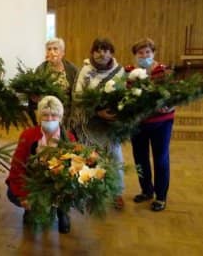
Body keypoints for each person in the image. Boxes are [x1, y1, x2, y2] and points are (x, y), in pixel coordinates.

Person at [6, 96, 76, 234]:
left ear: (60, 117)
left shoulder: (69, 137)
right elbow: (17, 165)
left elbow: (74, 167)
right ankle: (30, 210)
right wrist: (23, 195)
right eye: (45, 115)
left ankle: (62, 211)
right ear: (39, 117)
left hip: (58, 182)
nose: (49, 119)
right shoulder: (28, 135)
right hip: (34, 181)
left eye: (54, 115)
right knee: (12, 194)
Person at [71, 38, 125, 209]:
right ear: (92, 52)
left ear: (111, 52)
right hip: (90, 122)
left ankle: (117, 192)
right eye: (98, 50)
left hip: (111, 124)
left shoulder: (119, 71)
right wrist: (96, 111)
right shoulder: (85, 71)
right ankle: (89, 191)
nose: (102, 54)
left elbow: (125, 95)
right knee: (90, 157)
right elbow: (77, 95)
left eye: (106, 50)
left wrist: (117, 112)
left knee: (115, 157)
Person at [126, 38, 174, 211]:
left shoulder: (163, 72)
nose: (144, 55)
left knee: (160, 158)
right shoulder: (130, 73)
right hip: (138, 124)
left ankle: (161, 196)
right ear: (135, 55)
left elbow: (175, 96)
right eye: (140, 53)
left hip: (162, 123)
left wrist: (170, 104)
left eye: (148, 52)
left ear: (153, 53)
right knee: (140, 159)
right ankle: (146, 190)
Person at [28, 38, 78, 126]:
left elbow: (77, 92)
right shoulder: (40, 69)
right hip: (47, 113)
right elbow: (34, 94)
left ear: (62, 53)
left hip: (67, 113)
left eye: (55, 49)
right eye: (49, 49)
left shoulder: (72, 69)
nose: (52, 52)